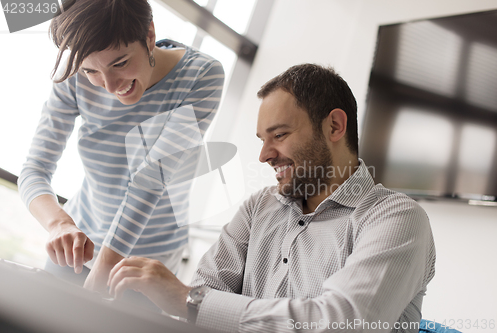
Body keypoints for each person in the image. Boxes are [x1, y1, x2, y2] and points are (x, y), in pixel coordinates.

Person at [105, 64, 436, 332]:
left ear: (334, 126)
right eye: (263, 139)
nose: (264, 155)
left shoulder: (397, 218)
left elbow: (342, 323)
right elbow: (205, 295)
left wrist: (191, 301)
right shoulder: (257, 208)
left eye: (279, 135)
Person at [17, 0, 224, 294]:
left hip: (148, 267)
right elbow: (34, 169)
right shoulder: (74, 72)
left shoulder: (201, 76)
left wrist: (100, 277)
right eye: (92, 72)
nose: (110, 86)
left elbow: (149, 182)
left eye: (120, 63)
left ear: (149, 35)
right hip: (77, 250)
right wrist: (59, 225)